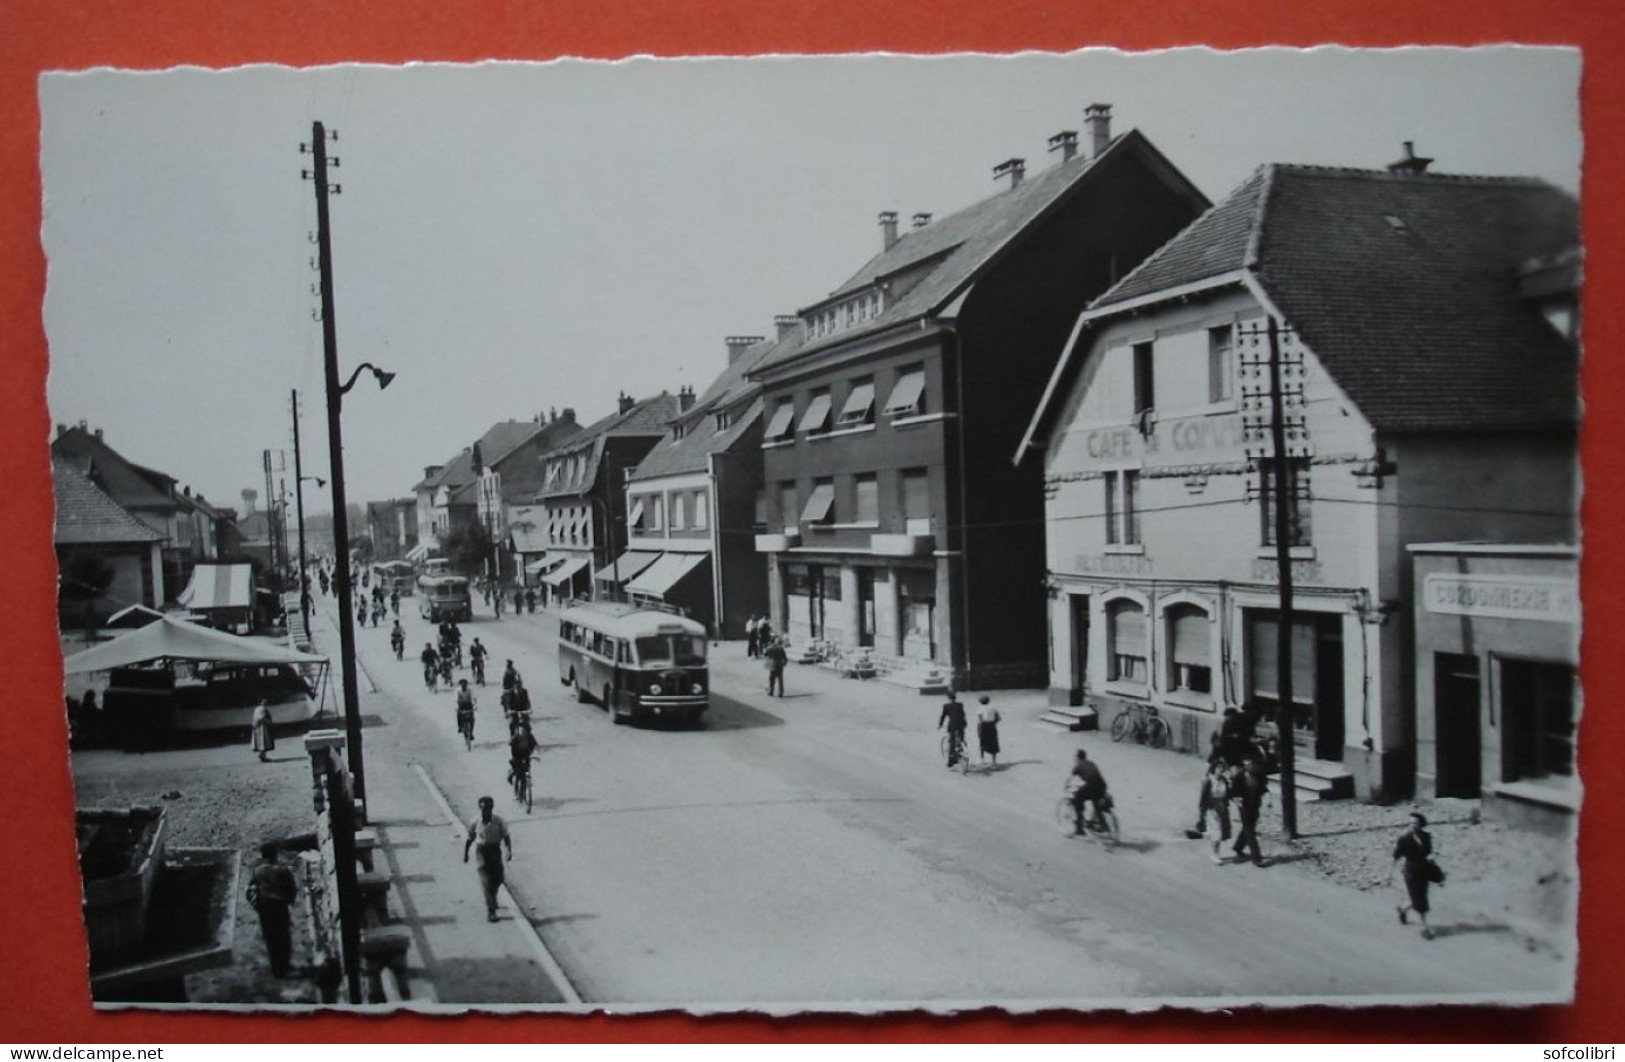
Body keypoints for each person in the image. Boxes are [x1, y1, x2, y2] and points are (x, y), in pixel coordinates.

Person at [246, 842, 298, 976]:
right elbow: (291, 888)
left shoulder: (257, 870)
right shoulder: (282, 870)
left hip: (265, 908)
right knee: (283, 936)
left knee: (271, 937)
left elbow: (250, 890)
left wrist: (256, 905)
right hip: (279, 906)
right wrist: (290, 900)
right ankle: (285, 965)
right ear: (275, 854)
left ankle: (276, 968)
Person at [462, 796, 512, 922]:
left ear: (492, 808)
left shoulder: (499, 821)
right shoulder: (475, 821)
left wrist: (508, 851)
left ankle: (493, 898)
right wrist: (466, 853)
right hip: (482, 852)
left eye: (489, 808)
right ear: (480, 808)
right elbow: (470, 838)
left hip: (495, 850)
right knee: (487, 880)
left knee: (498, 878)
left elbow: (506, 836)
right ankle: (491, 912)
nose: (486, 811)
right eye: (484, 808)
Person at [1390, 811, 1437, 939]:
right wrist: (1389, 874)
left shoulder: (1427, 836)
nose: (1412, 825)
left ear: (1421, 823)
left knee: (1419, 897)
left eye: (1415, 823)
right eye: (1410, 823)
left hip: (1424, 870)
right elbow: (1395, 856)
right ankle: (1425, 928)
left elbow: (1429, 852)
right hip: (1411, 872)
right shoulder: (1404, 839)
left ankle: (1403, 909)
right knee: (1420, 900)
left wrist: (1432, 862)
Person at [1066, 749, 1109, 835]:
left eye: (1075, 757)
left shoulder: (1078, 766)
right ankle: (1102, 825)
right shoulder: (1091, 763)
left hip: (1091, 785)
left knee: (1078, 799)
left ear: (1078, 758)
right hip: (1102, 785)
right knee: (1096, 802)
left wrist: (1068, 787)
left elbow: (1071, 779)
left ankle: (1079, 828)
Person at [937, 688, 967, 767]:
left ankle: (951, 761)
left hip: (952, 725)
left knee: (952, 743)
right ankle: (961, 748)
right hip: (961, 724)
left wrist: (940, 725)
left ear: (948, 698)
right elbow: (963, 714)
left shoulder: (946, 706)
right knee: (960, 738)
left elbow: (943, 716)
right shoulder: (960, 705)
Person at [508, 715, 539, 791]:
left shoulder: (529, 737)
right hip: (517, 755)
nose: (522, 731)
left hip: (526, 754)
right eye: (520, 730)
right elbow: (511, 744)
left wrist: (535, 754)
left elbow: (535, 745)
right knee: (517, 770)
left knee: (526, 769)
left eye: (524, 730)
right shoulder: (516, 737)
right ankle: (511, 776)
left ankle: (524, 788)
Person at [975, 695, 1002, 768]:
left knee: (982, 742)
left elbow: (980, 718)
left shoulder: (980, 708)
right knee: (993, 743)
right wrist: (993, 722)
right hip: (991, 725)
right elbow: (999, 718)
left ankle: (982, 760)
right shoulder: (993, 708)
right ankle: (993, 762)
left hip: (983, 726)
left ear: (980, 702)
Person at [455, 679, 476, 745]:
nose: (464, 686)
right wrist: (456, 708)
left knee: (472, 719)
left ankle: (471, 732)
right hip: (461, 705)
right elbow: (455, 700)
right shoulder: (458, 691)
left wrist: (475, 706)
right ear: (460, 685)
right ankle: (460, 727)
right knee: (458, 715)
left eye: (465, 685)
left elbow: (473, 698)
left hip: (469, 705)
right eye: (462, 685)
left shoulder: (469, 690)